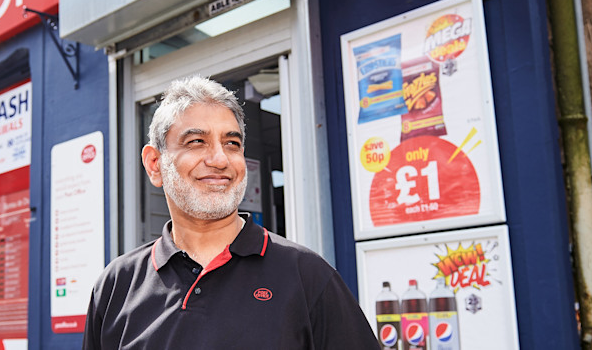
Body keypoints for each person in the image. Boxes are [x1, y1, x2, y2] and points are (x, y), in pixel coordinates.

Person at [83, 76, 379, 349]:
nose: (220, 159)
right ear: (154, 164)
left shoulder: (308, 276)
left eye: (232, 143)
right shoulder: (116, 286)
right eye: (197, 142)